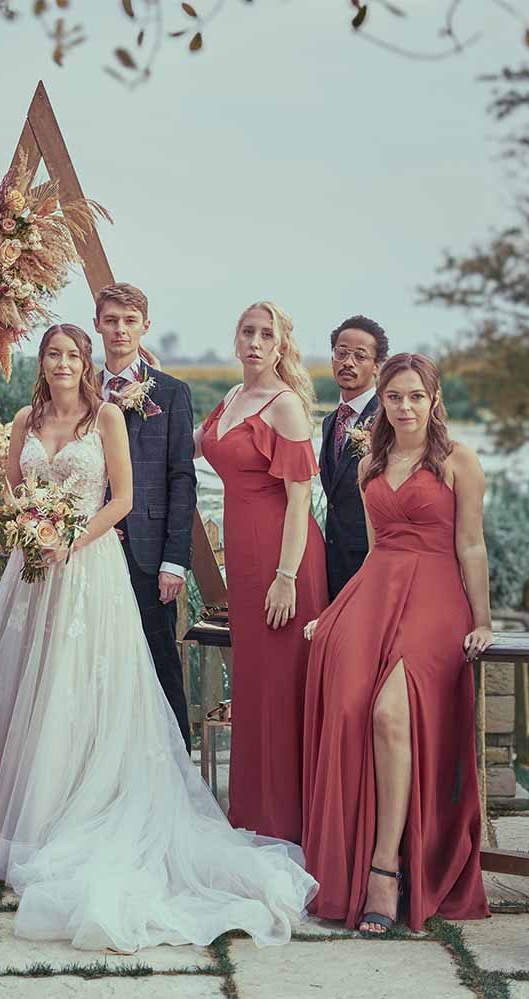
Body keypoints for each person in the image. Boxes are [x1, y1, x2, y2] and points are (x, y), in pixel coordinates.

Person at [0, 323, 316, 953]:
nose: (61, 363)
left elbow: (125, 497)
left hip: (87, 567)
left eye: (72, 354)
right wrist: (27, 525)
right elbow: (9, 487)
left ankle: (77, 806)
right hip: (31, 573)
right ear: (42, 361)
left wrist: (68, 540)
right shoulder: (24, 417)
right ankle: (17, 814)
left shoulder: (106, 416)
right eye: (52, 354)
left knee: (81, 684)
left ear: (86, 363)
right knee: (25, 682)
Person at [302, 352, 491, 935]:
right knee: (349, 701)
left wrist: (481, 620)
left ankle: (386, 868)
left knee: (390, 712)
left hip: (436, 594)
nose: (404, 406)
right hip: (376, 590)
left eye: (415, 395)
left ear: (433, 399)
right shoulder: (370, 464)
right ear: (381, 402)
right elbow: (372, 551)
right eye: (394, 397)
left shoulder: (459, 461)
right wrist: (335, 610)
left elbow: (472, 548)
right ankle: (345, 864)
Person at [196, 301, 327, 843]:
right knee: (254, 688)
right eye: (246, 331)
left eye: (265, 334)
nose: (254, 341)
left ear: (280, 345)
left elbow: (301, 501)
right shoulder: (232, 398)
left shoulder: (285, 405)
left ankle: (289, 825)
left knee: (282, 689)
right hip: (246, 564)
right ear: (236, 338)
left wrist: (287, 576)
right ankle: (251, 815)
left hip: (284, 560)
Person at [93, 283, 196, 752]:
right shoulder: (81, 390)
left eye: (129, 321)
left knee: (160, 661)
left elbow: (181, 477)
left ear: (144, 327)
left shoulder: (172, 393)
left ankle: (178, 769)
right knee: (100, 661)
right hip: (93, 549)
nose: (119, 330)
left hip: (150, 550)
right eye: (111, 320)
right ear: (97, 324)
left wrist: (175, 561)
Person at [320, 316, 389, 599]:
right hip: (334, 559)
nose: (348, 362)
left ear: (377, 366)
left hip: (374, 560)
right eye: (341, 352)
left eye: (360, 356)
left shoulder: (389, 420)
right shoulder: (328, 422)